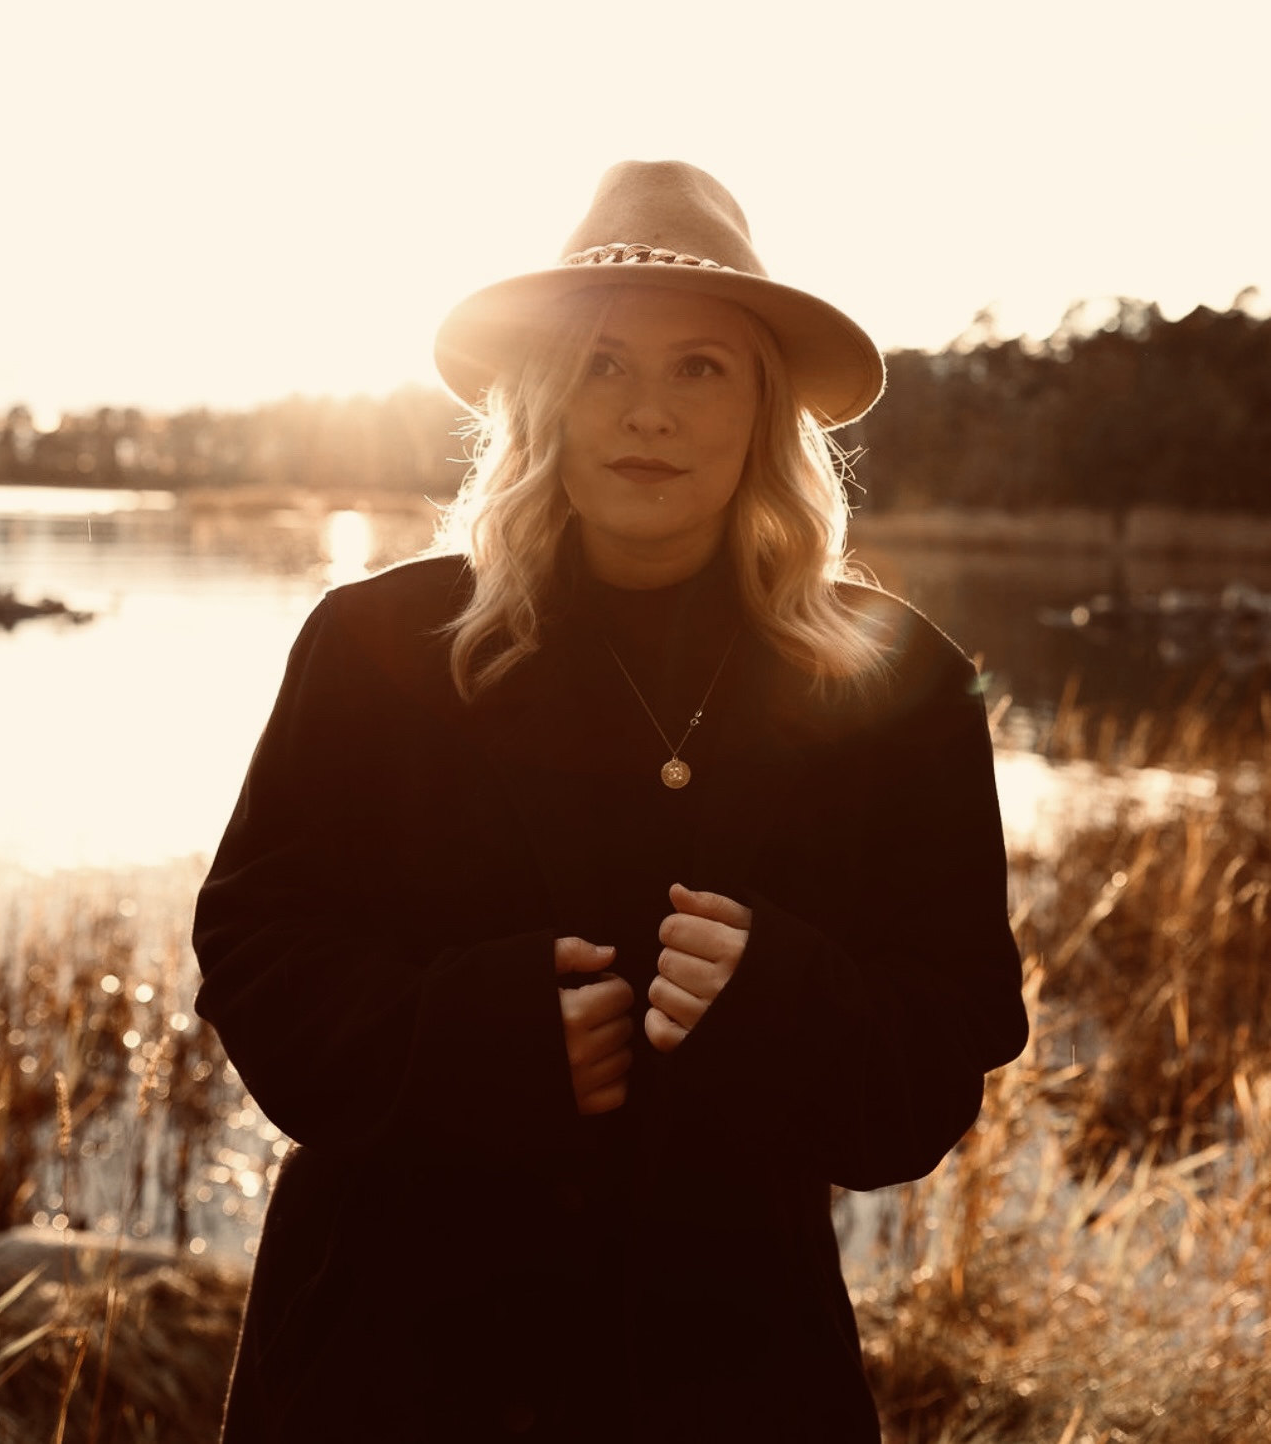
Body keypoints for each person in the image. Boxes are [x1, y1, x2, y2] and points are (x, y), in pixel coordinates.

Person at [192, 159, 1029, 1442]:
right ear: (542, 397)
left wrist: (786, 999)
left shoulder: (902, 678)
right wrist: (469, 1035)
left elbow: (950, 1029)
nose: (650, 409)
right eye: (601, 363)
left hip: (732, 1370)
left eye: (701, 365)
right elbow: (255, 957)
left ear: (765, 408)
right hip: (388, 1358)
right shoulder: (371, 643)